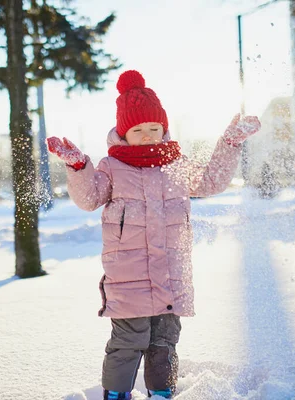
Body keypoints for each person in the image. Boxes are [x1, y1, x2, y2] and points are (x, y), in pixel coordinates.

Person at [47, 70, 260, 399]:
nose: (147, 136)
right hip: (128, 277)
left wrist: (230, 142)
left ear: (163, 129)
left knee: (165, 342)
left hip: (171, 277)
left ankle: (162, 392)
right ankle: (117, 394)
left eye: (154, 129)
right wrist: (78, 167)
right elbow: (89, 198)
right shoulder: (112, 167)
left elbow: (211, 181)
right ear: (123, 133)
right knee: (127, 343)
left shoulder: (176, 165)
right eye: (138, 130)